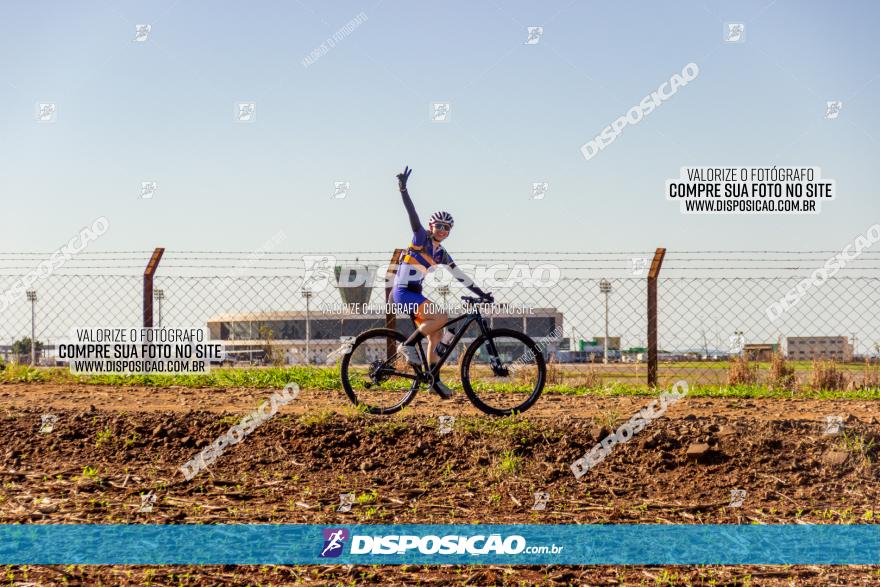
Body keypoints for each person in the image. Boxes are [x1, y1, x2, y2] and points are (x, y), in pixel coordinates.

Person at [390, 166, 492, 399]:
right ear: (431, 226)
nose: (443, 230)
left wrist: (481, 293)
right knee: (442, 316)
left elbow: (459, 275)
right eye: (439, 226)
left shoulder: (441, 254)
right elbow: (412, 213)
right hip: (403, 292)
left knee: (437, 335)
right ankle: (406, 346)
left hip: (415, 292)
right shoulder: (421, 238)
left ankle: (433, 381)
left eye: (448, 228)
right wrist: (403, 189)